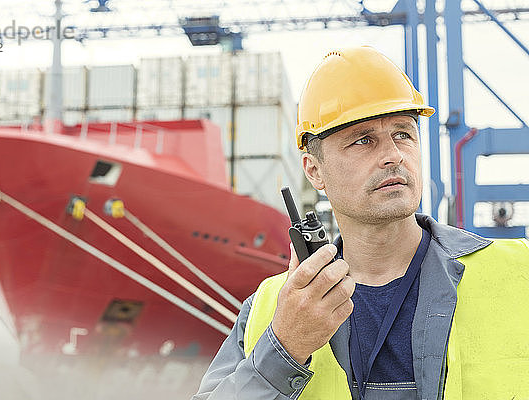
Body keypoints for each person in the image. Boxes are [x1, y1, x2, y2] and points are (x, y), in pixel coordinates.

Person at [191, 46, 529, 400]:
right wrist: (284, 348)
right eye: (363, 140)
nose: (394, 156)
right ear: (314, 170)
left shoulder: (518, 271)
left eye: (403, 133)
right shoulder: (270, 309)